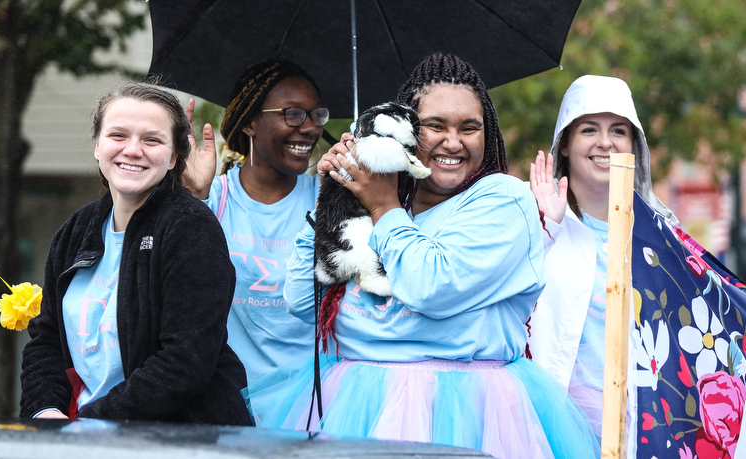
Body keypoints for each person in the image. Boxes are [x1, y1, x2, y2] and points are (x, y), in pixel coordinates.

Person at [247, 53, 599, 459]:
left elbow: (433, 286)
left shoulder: (504, 198)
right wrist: (333, 199)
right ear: (405, 131)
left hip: (470, 415)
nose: (453, 142)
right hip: (353, 407)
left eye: (470, 128)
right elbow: (301, 301)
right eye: (435, 126)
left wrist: (383, 209)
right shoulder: (377, 200)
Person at [20, 82, 251, 425]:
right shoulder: (76, 231)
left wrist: (89, 423)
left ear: (174, 157)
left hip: (182, 439)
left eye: (152, 140)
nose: (132, 150)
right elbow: (47, 339)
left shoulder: (191, 229)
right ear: (97, 145)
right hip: (85, 435)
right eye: (118, 135)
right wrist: (46, 412)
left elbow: (184, 360)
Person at [526, 75, 676, 437]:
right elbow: (504, 295)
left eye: (619, 131)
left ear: (634, 145)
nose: (605, 142)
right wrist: (546, 229)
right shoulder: (531, 216)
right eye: (589, 129)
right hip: (550, 426)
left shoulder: (663, 235)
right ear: (565, 144)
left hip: (642, 427)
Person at [184, 60, 327, 384]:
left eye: (316, 115)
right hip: (226, 396)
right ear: (249, 122)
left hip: (314, 397)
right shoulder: (213, 198)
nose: (309, 127)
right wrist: (192, 195)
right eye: (292, 114)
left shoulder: (328, 200)